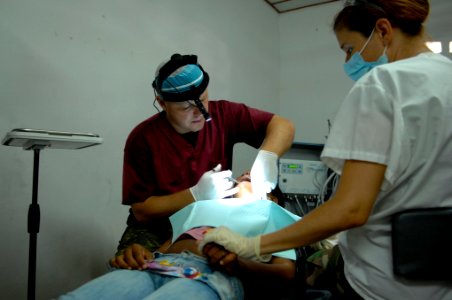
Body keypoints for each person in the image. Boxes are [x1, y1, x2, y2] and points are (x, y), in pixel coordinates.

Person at [199, 1, 452, 299]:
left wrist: (251, 245)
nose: (347, 60)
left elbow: (350, 209)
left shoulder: (381, 85)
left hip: (381, 284)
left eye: (348, 48)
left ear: (382, 30)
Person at [112, 53, 295, 268]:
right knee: (132, 269)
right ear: (162, 103)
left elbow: (283, 126)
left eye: (204, 99)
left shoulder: (224, 114)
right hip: (156, 226)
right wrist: (195, 195)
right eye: (186, 107)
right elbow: (142, 211)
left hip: (205, 222)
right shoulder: (143, 139)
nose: (200, 113)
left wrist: (267, 157)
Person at [58, 177, 298, 300]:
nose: (246, 174)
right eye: (243, 174)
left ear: (272, 197)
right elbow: (163, 249)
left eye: (253, 177)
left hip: (210, 277)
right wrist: (137, 255)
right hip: (155, 267)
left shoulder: (272, 211)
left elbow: (286, 272)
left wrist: (238, 264)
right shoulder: (201, 206)